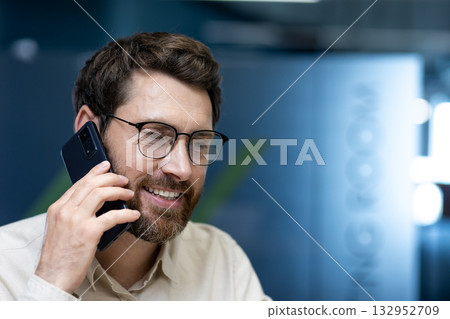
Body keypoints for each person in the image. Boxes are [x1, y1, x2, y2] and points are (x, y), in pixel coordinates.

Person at [0, 32, 270, 301]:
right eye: (154, 135)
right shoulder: (7, 265)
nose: (183, 169)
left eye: (200, 142)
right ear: (88, 129)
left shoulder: (221, 260)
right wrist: (51, 284)